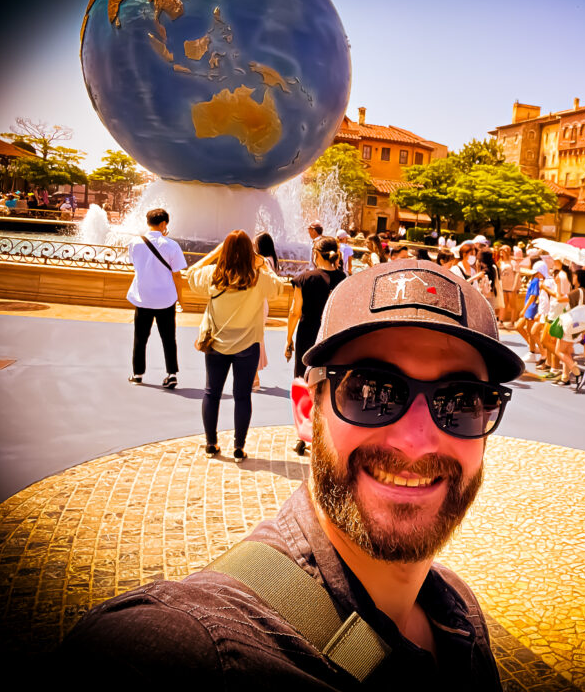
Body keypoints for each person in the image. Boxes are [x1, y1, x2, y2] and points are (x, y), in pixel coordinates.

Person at [61, 259, 523, 688]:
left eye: (460, 401)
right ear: (307, 411)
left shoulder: (457, 612)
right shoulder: (188, 648)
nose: (416, 440)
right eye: (370, 391)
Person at [186, 230, 289, 460]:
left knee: (211, 393)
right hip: (247, 345)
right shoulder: (258, 277)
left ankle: (211, 444)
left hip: (216, 344)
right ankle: (239, 447)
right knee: (242, 396)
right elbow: (279, 287)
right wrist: (261, 262)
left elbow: (190, 273)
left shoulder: (213, 275)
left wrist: (214, 254)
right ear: (249, 253)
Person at [286, 236, 347, 454]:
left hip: (308, 337)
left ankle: (302, 436)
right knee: (329, 385)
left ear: (316, 254)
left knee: (305, 383)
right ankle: (327, 435)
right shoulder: (344, 279)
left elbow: (295, 311)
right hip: (332, 336)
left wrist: (288, 339)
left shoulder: (304, 278)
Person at [126, 208, 187, 388]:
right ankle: (171, 374)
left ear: (148, 222)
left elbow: (135, 265)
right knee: (168, 338)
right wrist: (180, 298)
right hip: (165, 298)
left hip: (143, 297)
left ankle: (137, 373)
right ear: (163, 224)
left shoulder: (134, 243)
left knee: (140, 337)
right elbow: (177, 275)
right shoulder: (171, 245)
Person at [252, 232, 280, 390]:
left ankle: (254, 376)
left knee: (254, 339)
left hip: (258, 302)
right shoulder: (271, 260)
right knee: (256, 338)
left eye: (255, 243)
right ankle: (254, 375)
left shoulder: (264, 262)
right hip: (261, 302)